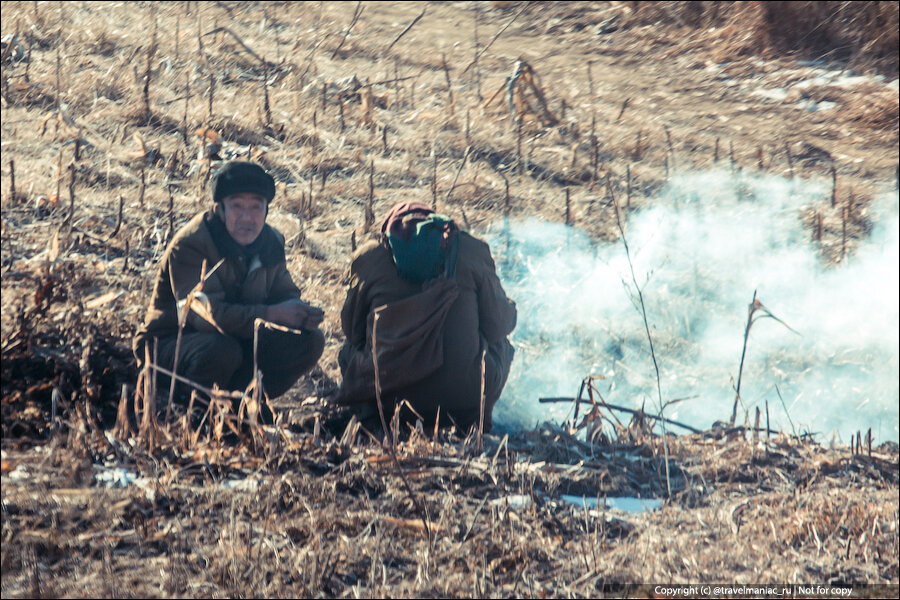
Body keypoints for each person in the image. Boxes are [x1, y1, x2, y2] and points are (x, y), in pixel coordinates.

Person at [132, 161, 325, 411]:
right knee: (222, 350)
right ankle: (194, 407)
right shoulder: (192, 243)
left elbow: (284, 293)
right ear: (220, 209)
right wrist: (272, 314)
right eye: (237, 206)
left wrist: (300, 314)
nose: (247, 217)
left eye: (256, 207)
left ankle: (244, 401)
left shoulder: (271, 241)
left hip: (236, 339)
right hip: (169, 346)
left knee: (309, 341)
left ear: (266, 211)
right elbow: (205, 316)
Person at [335, 201, 516, 433]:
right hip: (463, 400)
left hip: (389, 401)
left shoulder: (370, 257)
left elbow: (353, 331)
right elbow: (499, 325)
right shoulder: (471, 249)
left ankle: (373, 418)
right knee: (501, 343)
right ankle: (473, 421)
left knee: (347, 351)